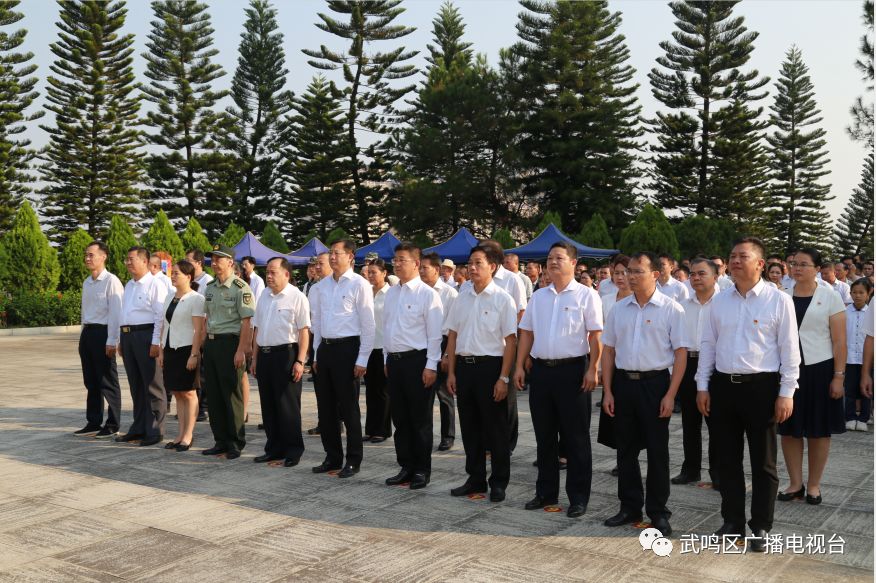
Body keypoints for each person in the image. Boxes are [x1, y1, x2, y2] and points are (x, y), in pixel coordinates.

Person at [696, 237, 801, 552]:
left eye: (743, 256)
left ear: (760, 263)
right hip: (724, 387)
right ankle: (732, 522)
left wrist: (787, 392)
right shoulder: (719, 301)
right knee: (727, 460)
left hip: (762, 388)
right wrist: (703, 385)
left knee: (763, 462)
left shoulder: (778, 300)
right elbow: (708, 345)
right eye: (732, 256)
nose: (736, 261)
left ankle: (760, 527)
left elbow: (789, 350)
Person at [602, 251, 686, 536]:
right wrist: (608, 391)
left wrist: (671, 394)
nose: (631, 276)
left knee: (657, 452)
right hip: (624, 384)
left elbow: (681, 353)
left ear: (655, 275)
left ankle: (658, 512)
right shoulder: (619, 309)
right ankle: (629, 507)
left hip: (656, 385)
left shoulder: (671, 309)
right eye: (629, 272)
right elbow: (609, 351)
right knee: (625, 450)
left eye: (638, 271)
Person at [515, 242, 602, 518]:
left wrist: (593, 369)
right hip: (541, 372)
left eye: (559, 258)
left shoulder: (586, 295)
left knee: (576, 438)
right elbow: (526, 333)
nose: (553, 262)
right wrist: (520, 365)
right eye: (550, 258)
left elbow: (596, 336)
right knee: (544, 436)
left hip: (574, 372)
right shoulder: (539, 296)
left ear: (573, 264)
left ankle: (578, 497)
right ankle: (545, 492)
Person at [444, 243, 518, 503]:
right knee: (471, 427)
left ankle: (498, 482)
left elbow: (511, 341)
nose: (472, 268)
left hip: (491, 368)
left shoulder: (502, 299)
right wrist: (451, 372)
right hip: (464, 368)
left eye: (478, 263)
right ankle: (475, 478)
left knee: (496, 430)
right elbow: (453, 335)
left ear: (493, 267)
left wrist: (504, 377)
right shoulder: (462, 296)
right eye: (470, 263)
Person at [777, 248, 847, 505]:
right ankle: (795, 483)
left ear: (817, 268)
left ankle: (814, 485)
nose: (797, 268)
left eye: (804, 264)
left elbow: (839, 341)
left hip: (820, 369)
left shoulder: (830, 296)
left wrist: (838, 376)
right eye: (794, 264)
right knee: (789, 428)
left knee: (819, 429)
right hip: (787, 369)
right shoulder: (781, 295)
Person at [310, 240, 375, 478]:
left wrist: (363, 358)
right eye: (331, 254)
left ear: (351, 256)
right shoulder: (322, 286)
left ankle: (353, 459)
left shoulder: (360, 284)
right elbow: (316, 323)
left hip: (348, 349)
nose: (333, 257)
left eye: (337, 253)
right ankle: (332, 457)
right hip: (325, 349)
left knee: (349, 409)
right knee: (325, 409)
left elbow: (369, 324)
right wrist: (316, 354)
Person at [382, 243, 444, 490]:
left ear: (416, 263)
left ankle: (421, 469)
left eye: (402, 260)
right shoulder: (392, 293)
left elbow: (435, 335)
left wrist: (431, 366)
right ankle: (405, 465)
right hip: (395, 363)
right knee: (400, 418)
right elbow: (387, 328)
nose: (396, 264)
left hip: (418, 362)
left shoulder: (428, 295)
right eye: (395, 259)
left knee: (420, 420)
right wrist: (387, 356)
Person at [251, 257, 311, 467]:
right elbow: (257, 329)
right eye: (267, 272)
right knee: (268, 406)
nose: (268, 275)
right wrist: (254, 357)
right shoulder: (264, 296)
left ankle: (293, 450)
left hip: (286, 355)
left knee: (288, 407)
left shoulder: (297, 297)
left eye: (273, 272)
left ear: (287, 274)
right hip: (265, 355)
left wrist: (300, 361)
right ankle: (273, 448)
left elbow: (304, 332)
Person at [201, 245, 256, 459]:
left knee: (231, 394)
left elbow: (246, 322)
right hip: (213, 344)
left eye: (219, 259)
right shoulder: (210, 287)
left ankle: (235, 442)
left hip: (231, 344)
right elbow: (207, 319)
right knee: (214, 395)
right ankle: (220, 440)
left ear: (230, 263)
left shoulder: (240, 288)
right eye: (212, 259)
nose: (214, 263)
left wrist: (242, 350)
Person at [674, 258, 721, 489]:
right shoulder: (683, 305)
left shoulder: (724, 302)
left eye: (701, 273)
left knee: (717, 423)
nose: (696, 278)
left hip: (716, 366)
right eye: (692, 274)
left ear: (716, 276)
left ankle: (718, 472)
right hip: (689, 363)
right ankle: (690, 469)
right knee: (689, 421)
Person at [115, 246, 169, 447]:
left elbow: (159, 316)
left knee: (152, 385)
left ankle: (155, 429)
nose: (127, 263)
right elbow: (125, 313)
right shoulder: (129, 285)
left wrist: (156, 342)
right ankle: (138, 427)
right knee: (136, 385)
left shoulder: (155, 284)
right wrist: (121, 339)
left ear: (144, 261)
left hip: (147, 336)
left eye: (131, 259)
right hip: (129, 336)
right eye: (126, 260)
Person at [77, 241, 124, 438]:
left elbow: (116, 312)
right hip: (88, 333)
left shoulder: (111, 281)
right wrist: (82, 335)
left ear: (103, 256)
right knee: (91, 381)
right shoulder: (87, 282)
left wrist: (112, 340)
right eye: (86, 255)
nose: (88, 258)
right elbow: (84, 312)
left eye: (91, 255)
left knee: (107, 381)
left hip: (104, 334)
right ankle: (93, 421)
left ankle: (113, 423)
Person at [157, 260, 205, 451]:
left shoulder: (196, 299)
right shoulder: (169, 297)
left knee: (189, 392)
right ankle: (179, 434)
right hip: (170, 348)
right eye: (172, 273)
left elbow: (198, 330)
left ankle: (188, 435)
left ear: (188, 276)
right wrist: (161, 350)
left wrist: (194, 354)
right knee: (177, 392)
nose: (173, 276)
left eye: (177, 273)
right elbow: (164, 325)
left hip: (187, 349)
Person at [597, 255, 632, 476]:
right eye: (617, 273)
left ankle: (630, 456)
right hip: (611, 363)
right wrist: (599, 365)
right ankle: (622, 457)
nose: (620, 277)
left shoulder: (642, 299)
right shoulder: (606, 299)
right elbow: (600, 334)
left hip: (632, 363)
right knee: (614, 414)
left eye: (625, 272)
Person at [420, 252, 459, 451]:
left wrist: (446, 355)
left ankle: (448, 435)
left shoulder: (449, 293)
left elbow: (453, 327)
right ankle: (423, 434)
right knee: (423, 394)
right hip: (421, 344)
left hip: (444, 343)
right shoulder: (417, 291)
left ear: (437, 269)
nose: (421, 272)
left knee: (444, 394)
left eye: (424, 268)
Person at [364, 259, 392, 443]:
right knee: (370, 390)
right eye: (368, 272)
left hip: (384, 347)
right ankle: (371, 428)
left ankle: (383, 429)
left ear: (384, 273)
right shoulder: (366, 292)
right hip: (368, 347)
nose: (371, 276)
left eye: (374, 272)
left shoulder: (390, 293)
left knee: (383, 391)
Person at [185, 248, 213, 421]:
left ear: (199, 263)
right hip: (189, 331)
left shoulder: (207, 282)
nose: (186, 263)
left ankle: (202, 407)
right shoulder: (189, 280)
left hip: (202, 330)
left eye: (189, 260)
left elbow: (206, 311)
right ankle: (194, 405)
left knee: (202, 373)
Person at [844, 279, 873, 431]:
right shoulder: (844, 311)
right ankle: (849, 417)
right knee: (849, 389)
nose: (857, 296)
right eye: (854, 292)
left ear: (869, 294)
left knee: (866, 390)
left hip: (866, 358)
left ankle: (863, 418)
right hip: (849, 358)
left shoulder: (871, 313)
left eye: (861, 292)